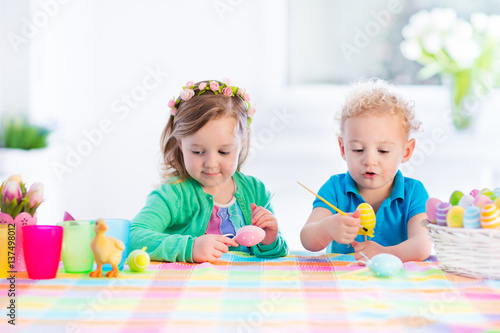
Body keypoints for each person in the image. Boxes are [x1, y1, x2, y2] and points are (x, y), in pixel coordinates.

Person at [130, 79, 288, 263]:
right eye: (197, 152)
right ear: (181, 144)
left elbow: (276, 253)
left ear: (242, 142)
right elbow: (134, 236)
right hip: (192, 288)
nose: (211, 163)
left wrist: (270, 240)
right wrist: (190, 248)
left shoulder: (255, 190)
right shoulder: (173, 194)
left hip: (245, 287)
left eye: (224, 151)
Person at [300, 78, 431, 262]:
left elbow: (423, 245)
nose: (370, 161)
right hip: (342, 284)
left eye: (383, 151)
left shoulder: (413, 193)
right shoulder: (334, 189)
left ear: (406, 151)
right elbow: (307, 239)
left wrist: (386, 254)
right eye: (358, 150)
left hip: (396, 285)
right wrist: (328, 228)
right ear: (343, 149)